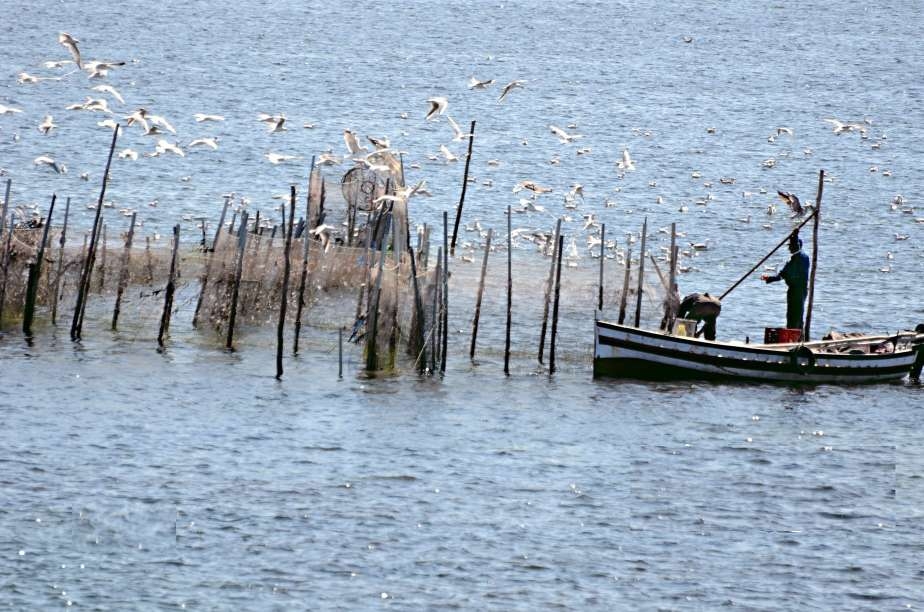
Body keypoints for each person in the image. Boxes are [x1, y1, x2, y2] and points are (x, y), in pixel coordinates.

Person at [761, 233, 811, 330]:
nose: (789, 249)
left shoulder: (795, 260)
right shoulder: (805, 257)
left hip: (795, 291)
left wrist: (767, 278)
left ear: (796, 246)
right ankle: (799, 334)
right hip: (803, 290)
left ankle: (793, 334)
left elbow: (781, 276)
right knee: (798, 315)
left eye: (790, 246)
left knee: (793, 315)